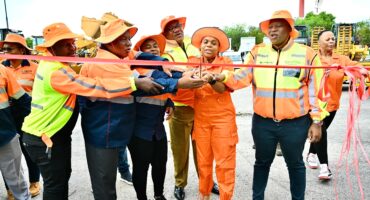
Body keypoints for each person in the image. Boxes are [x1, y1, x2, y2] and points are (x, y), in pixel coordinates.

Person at [21, 22, 162, 200]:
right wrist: (134, 83)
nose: (73, 47)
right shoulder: (56, 71)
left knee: (61, 178)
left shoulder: (55, 64)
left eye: (72, 42)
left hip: (50, 135)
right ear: (52, 48)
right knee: (55, 186)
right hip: (44, 137)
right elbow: (93, 86)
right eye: (66, 44)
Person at [217, 10, 325, 200]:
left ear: (289, 29)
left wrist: (316, 121)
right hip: (263, 123)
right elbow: (240, 77)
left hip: (295, 124)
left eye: (277, 27)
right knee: (261, 163)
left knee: (295, 164)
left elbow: (317, 91)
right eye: (270, 28)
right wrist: (222, 76)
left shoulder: (307, 54)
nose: (272, 31)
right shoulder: (258, 52)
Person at [160, 15, 219, 199]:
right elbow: (167, 77)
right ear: (165, 33)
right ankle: (180, 184)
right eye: (171, 28)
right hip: (180, 106)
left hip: (201, 104)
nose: (177, 29)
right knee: (180, 150)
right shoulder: (164, 52)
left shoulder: (193, 43)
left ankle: (207, 180)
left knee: (203, 148)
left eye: (178, 26)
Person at [306, 30, 364, 180]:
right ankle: (325, 167)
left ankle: (311, 154)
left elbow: (356, 66)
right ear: (319, 42)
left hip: (332, 104)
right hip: (315, 104)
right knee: (321, 131)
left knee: (321, 131)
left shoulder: (341, 59)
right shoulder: (313, 58)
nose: (332, 41)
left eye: (333, 38)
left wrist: (362, 71)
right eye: (328, 39)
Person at [189, 27, 238, 200]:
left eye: (213, 43)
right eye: (205, 42)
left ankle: (225, 196)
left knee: (225, 162)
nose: (209, 45)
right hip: (201, 120)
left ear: (219, 48)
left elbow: (223, 88)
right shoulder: (191, 62)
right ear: (200, 46)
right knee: (203, 162)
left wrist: (211, 79)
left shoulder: (226, 63)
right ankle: (204, 193)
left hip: (223, 120)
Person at [0, 33, 41, 198]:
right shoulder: (3, 67)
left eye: (9, 49)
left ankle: (34, 181)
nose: (5, 52)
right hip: (7, 116)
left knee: (28, 149)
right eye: (3, 49)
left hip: (27, 114)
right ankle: (11, 189)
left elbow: (39, 94)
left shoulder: (34, 68)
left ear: (22, 50)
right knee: (7, 157)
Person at [0, 65, 31, 200]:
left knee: (15, 175)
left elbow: (21, 99)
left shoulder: (2, 70)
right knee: (14, 174)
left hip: (5, 132)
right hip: (5, 130)